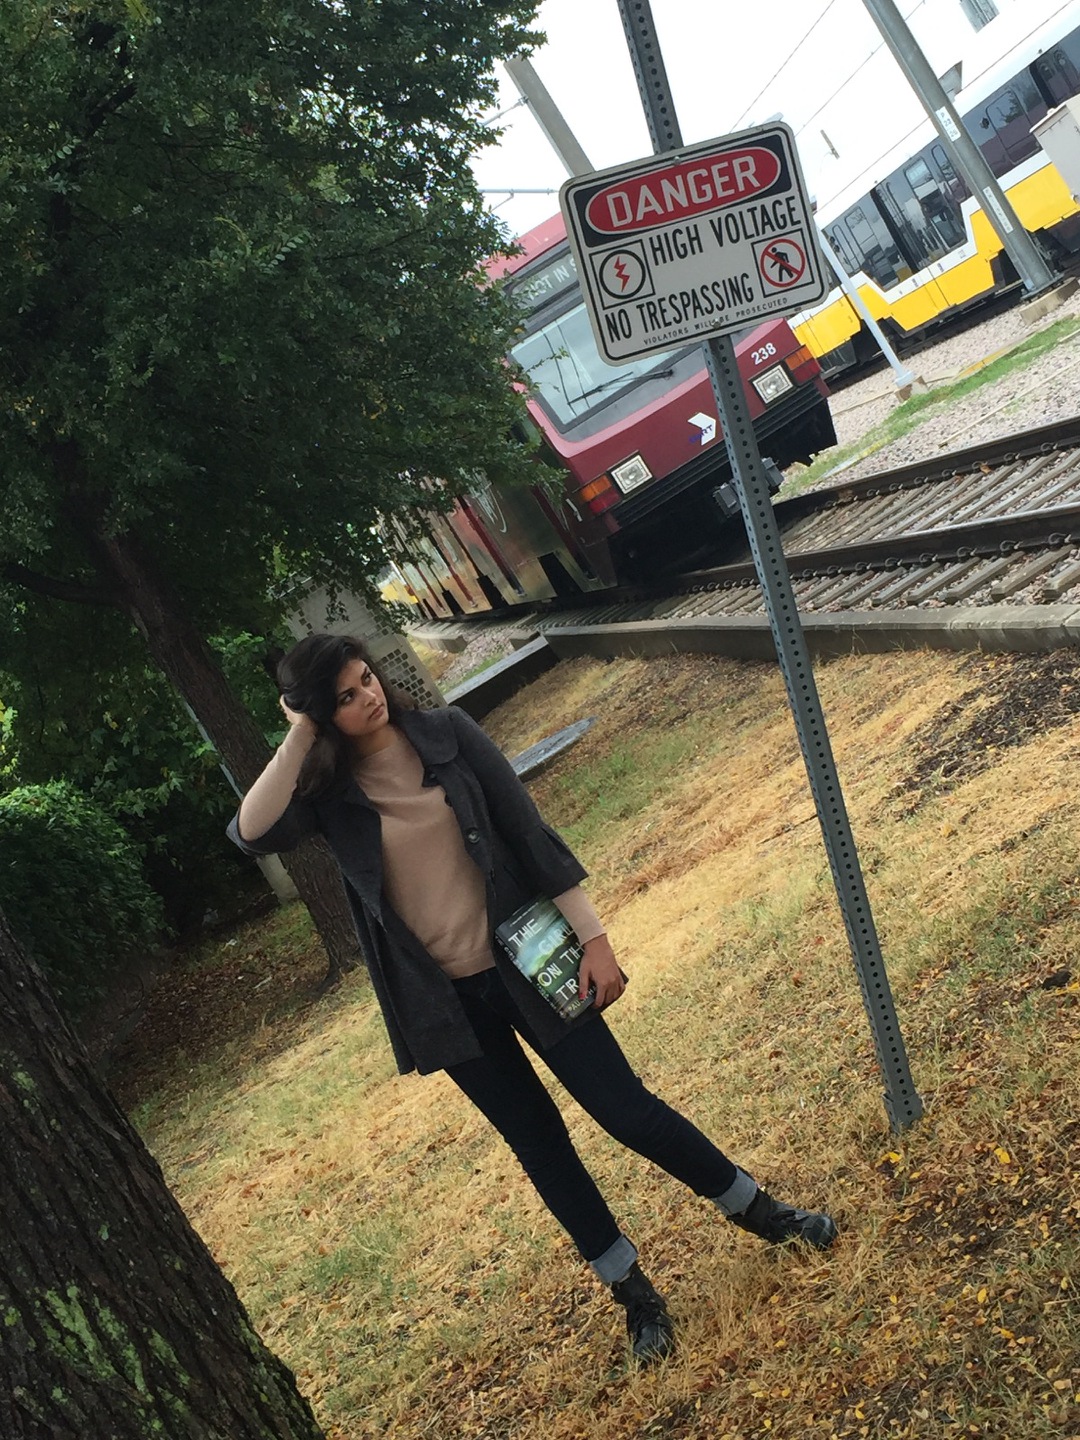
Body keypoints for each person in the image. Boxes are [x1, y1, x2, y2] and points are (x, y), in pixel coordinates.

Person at [228, 633, 838, 1365]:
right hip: (445, 1004)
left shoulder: (447, 734)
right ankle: (635, 1296)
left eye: (367, 679)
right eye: (346, 697)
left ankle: (761, 1212)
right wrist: (300, 732)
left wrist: (595, 939)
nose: (369, 697)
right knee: (540, 1145)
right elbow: (250, 833)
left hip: (532, 964)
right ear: (322, 716)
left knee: (626, 1109)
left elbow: (529, 833)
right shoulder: (327, 796)